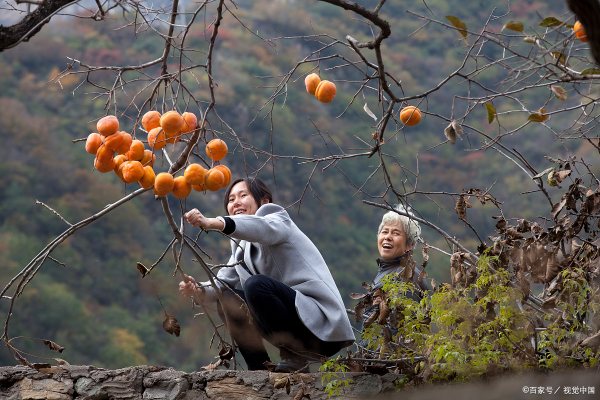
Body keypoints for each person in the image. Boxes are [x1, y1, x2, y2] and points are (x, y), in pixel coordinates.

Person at [179, 177, 355, 372]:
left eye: (243, 195)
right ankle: (260, 369)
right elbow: (221, 283)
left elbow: (263, 228)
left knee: (256, 285)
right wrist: (198, 289)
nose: (235, 202)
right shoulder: (241, 246)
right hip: (294, 326)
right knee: (226, 299)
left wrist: (214, 222)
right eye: (230, 199)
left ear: (264, 201)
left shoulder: (276, 217)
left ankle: (294, 357)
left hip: (320, 327)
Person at [358, 205, 430, 351]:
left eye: (396, 233)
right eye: (384, 231)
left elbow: (400, 337)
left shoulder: (406, 277)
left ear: (409, 244)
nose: (388, 237)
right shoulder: (387, 270)